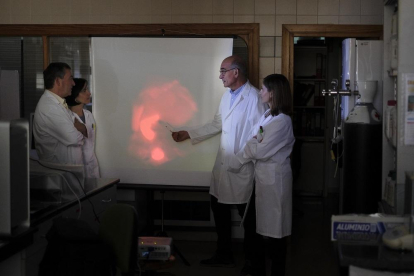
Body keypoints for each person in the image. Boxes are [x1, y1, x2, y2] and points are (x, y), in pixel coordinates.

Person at [172, 55, 266, 275]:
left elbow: (261, 132)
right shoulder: (227, 97)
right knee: (219, 209)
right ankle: (224, 255)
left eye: (223, 71)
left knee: (249, 218)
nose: (220, 75)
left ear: (236, 72)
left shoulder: (254, 98)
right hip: (223, 166)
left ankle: (254, 262)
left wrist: (244, 156)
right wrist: (190, 133)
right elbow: (217, 123)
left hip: (243, 167)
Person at [230, 74, 295, 276]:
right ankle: (257, 267)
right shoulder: (267, 116)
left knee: (276, 234)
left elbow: (259, 149)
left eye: (263, 89)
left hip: (275, 183)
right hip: (263, 179)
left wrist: (240, 158)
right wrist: (252, 145)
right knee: (254, 224)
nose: (260, 92)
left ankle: (276, 272)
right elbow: (254, 138)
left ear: (273, 93)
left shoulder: (282, 121)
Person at [33, 62, 87, 165]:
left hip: (68, 173)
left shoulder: (59, 103)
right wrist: (78, 127)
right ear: (58, 81)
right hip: (59, 174)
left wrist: (77, 126)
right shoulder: (49, 107)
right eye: (70, 79)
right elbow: (74, 138)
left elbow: (80, 126)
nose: (73, 83)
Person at [65, 78, 100, 178]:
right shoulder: (67, 117)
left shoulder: (88, 114)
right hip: (75, 166)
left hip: (92, 165)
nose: (89, 93)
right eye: (84, 90)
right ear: (75, 95)